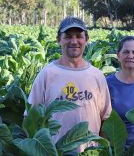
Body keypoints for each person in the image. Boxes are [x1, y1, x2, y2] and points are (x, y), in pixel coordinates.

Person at [28, 16, 112, 152]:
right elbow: (31, 118)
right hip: (56, 151)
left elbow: (106, 119)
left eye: (79, 36)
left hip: (90, 151)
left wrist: (102, 150)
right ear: (58, 40)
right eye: (68, 36)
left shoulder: (97, 75)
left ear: (86, 39)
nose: (74, 41)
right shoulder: (47, 74)